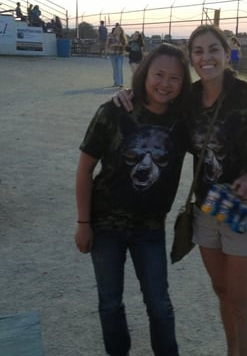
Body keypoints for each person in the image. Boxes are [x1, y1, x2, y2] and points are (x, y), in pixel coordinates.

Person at [114, 25, 247, 356]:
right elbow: (154, 111)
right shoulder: (189, 101)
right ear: (191, 58)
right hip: (207, 208)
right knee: (222, 291)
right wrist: (125, 97)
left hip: (245, 211)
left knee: (241, 301)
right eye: (198, 52)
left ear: (227, 51)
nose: (206, 58)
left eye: (213, 49)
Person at [74, 43, 192, 356]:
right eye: (158, 74)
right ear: (144, 73)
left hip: (150, 228)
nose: (164, 84)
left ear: (183, 84)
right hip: (105, 225)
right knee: (110, 303)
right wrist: (83, 223)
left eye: (174, 78)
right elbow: (85, 169)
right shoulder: (114, 111)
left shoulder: (184, 123)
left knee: (159, 304)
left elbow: (224, 123)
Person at [107, 23, 127, 88]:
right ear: (115, 30)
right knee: (115, 69)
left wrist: (117, 44)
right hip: (112, 54)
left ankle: (120, 83)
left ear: (121, 31)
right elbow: (109, 45)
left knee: (119, 68)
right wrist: (116, 44)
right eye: (117, 30)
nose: (118, 31)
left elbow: (124, 45)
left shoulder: (123, 38)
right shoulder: (111, 36)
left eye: (119, 30)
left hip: (120, 55)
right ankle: (116, 82)